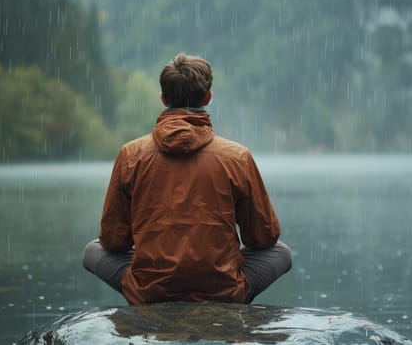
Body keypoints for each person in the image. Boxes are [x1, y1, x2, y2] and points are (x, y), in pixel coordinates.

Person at [83, 53, 291, 305]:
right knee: (281, 253)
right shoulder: (236, 156)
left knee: (92, 251)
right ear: (208, 97)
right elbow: (263, 237)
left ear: (163, 98)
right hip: (223, 292)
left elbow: (113, 241)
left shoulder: (131, 154)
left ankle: (153, 291)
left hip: (149, 293)